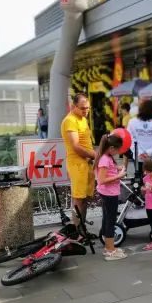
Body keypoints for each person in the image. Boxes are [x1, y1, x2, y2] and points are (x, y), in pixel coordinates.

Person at [61, 93, 97, 225]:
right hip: (77, 164)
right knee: (78, 199)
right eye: (82, 108)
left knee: (85, 198)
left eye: (87, 107)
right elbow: (76, 147)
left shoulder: (83, 118)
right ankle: (77, 232)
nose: (86, 111)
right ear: (73, 106)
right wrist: (96, 155)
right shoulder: (70, 120)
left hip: (87, 163)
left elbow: (86, 142)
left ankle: (82, 230)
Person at [94, 134, 128, 261]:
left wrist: (116, 169)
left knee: (107, 219)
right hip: (109, 193)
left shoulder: (106, 157)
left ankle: (109, 247)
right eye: (118, 150)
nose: (118, 152)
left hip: (109, 193)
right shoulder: (105, 159)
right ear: (111, 148)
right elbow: (102, 180)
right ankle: (110, 251)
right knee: (110, 221)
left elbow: (107, 172)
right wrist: (119, 176)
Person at [127, 100, 152, 177]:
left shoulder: (132, 122)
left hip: (138, 156)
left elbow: (130, 138)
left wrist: (139, 152)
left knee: (139, 178)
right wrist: (150, 152)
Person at [120, 103, 132, 169]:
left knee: (125, 155)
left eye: (122, 110)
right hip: (132, 138)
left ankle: (124, 171)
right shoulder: (131, 117)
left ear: (125, 110)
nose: (121, 112)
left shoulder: (125, 118)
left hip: (127, 138)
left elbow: (125, 129)